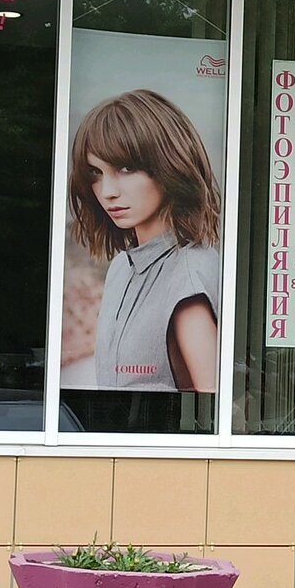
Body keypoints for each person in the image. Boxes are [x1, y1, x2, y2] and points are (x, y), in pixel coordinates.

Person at [68, 89, 221, 392]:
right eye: (96, 172)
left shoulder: (188, 274)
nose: (108, 191)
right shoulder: (121, 268)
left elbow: (212, 404)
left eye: (126, 169)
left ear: (169, 166)